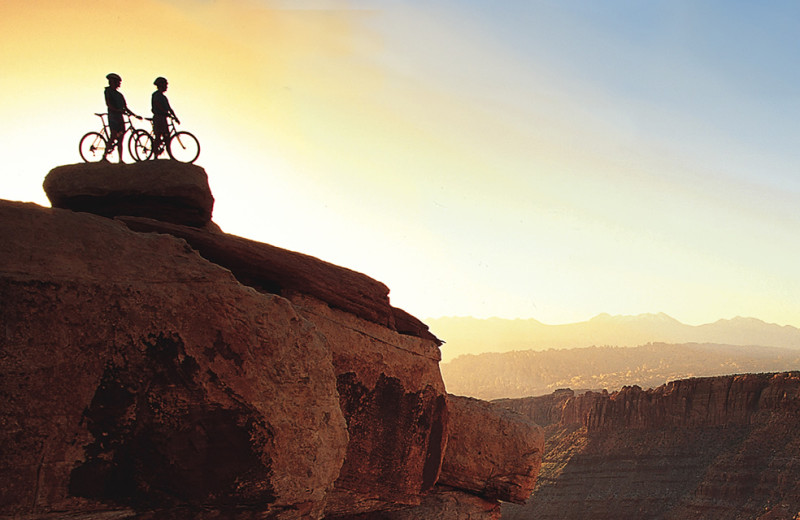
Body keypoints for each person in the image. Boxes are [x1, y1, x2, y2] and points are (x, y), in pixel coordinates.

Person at [103, 73, 141, 162]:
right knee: (113, 136)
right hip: (113, 117)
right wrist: (117, 110)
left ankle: (120, 159)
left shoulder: (119, 95)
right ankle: (104, 156)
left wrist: (134, 115)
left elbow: (125, 108)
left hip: (120, 117)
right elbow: (108, 104)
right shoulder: (108, 91)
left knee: (121, 138)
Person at [151, 77, 180, 157]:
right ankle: (155, 154)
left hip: (164, 118)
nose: (166, 86)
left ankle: (170, 155)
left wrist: (175, 117)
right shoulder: (156, 95)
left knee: (167, 137)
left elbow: (169, 108)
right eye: (165, 85)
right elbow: (157, 104)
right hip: (158, 117)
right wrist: (164, 112)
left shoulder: (164, 97)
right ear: (161, 85)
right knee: (158, 135)